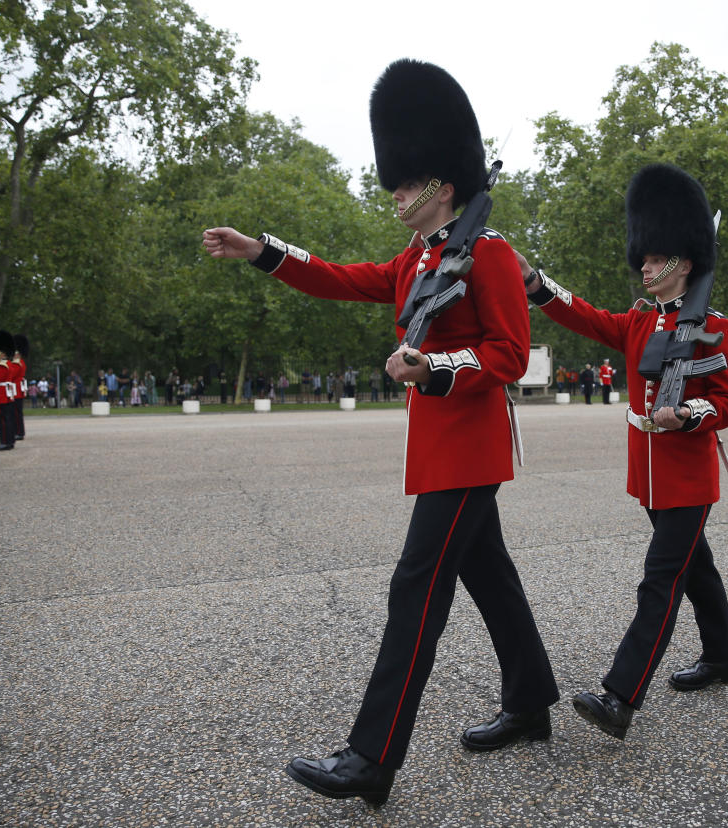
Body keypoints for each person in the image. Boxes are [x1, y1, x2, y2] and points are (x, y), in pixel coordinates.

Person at [203, 58, 558, 806]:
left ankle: (372, 755)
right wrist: (262, 251)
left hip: (470, 449)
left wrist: (433, 367)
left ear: (442, 184)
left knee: (414, 592)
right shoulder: (414, 261)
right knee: (488, 574)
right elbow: (338, 275)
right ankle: (531, 702)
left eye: (405, 181)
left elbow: (510, 355)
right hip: (437, 452)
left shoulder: (490, 255)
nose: (394, 192)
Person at [516, 162, 728, 741]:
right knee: (696, 568)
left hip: (689, 477)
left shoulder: (716, 327)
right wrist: (537, 284)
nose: (643, 264)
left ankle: (621, 696)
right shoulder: (641, 324)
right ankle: (722, 658)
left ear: (684, 262)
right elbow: (587, 315)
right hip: (649, 476)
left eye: (653, 256)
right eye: (642, 256)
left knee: (660, 579)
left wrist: (690, 414)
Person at [0, 331, 17, 450]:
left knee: (3, 420)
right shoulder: (5, 364)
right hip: (5, 394)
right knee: (7, 419)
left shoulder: (2, 365)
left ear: (1, 353)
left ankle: (5, 442)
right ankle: (9, 440)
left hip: (1, 395)